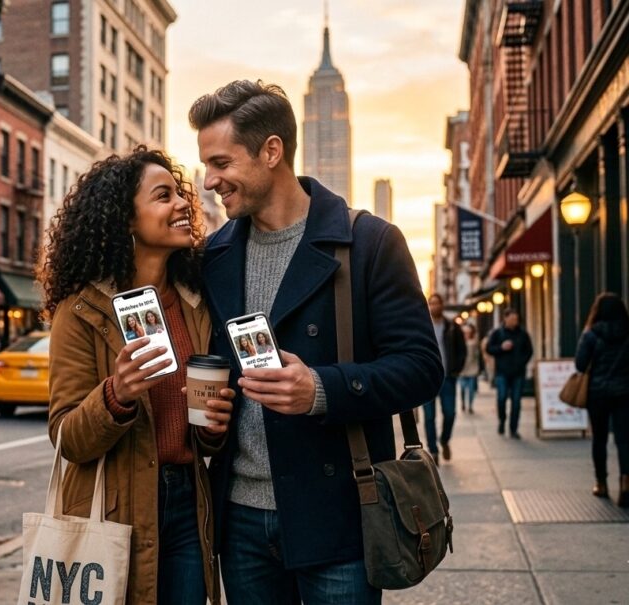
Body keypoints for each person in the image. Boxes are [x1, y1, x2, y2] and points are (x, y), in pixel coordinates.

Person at [190, 80, 442, 603]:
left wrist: (321, 390)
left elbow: (421, 366)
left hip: (340, 516)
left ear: (271, 151)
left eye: (221, 163)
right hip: (240, 521)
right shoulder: (213, 255)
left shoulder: (370, 242)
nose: (210, 180)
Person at [39, 148, 235, 605]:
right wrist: (116, 395)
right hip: (113, 509)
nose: (183, 205)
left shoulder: (195, 304)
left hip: (188, 504)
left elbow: (198, 433)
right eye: (163, 196)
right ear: (126, 220)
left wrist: (213, 427)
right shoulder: (82, 311)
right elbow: (66, 436)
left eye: (180, 195)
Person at [574, 293, 629, 506]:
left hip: (598, 393)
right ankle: (625, 483)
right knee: (624, 439)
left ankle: (601, 483)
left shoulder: (591, 334)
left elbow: (580, 364)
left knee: (599, 438)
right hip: (625, 393)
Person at [422, 293, 467, 464]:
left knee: (450, 413)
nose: (434, 306)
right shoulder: (423, 327)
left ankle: (445, 440)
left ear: (442, 305)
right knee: (429, 417)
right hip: (428, 379)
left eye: (437, 303)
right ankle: (433, 450)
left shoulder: (452, 327)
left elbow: (462, 350)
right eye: (431, 303)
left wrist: (457, 369)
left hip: (448, 377)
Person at [487, 309, 534, 439]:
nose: (515, 322)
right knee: (501, 398)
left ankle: (514, 429)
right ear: (505, 318)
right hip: (502, 372)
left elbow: (529, 351)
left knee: (516, 402)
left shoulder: (523, 334)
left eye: (516, 319)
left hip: (518, 373)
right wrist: (501, 348)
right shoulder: (497, 333)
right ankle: (502, 420)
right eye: (512, 319)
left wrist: (521, 362)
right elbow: (489, 349)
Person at [458, 323, 481, 413]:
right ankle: (463, 403)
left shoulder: (474, 342)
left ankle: (470, 406)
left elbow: (478, 355)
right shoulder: (459, 343)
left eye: (468, 332)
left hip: (472, 369)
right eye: (464, 332)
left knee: (471, 389)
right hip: (462, 370)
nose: (466, 334)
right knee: (463, 388)